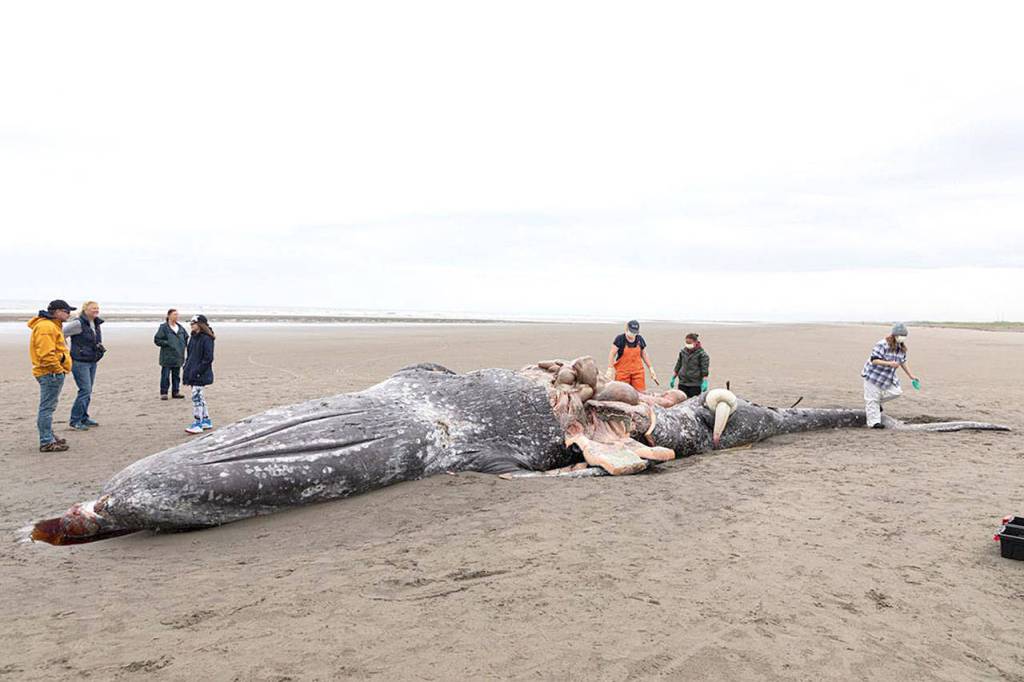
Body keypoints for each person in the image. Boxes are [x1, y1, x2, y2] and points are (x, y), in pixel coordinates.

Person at [28, 300, 75, 452]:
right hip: (50, 372)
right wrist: (57, 369)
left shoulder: (51, 325)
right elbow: (46, 354)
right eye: (67, 311)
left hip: (51, 372)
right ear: (57, 311)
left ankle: (50, 436)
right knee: (47, 408)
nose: (69, 315)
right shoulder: (46, 327)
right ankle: (46, 441)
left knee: (49, 407)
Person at [862, 322, 921, 429]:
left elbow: (902, 362)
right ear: (894, 335)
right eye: (900, 336)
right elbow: (874, 360)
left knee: (896, 392)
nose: (902, 338)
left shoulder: (901, 348)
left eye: (904, 336)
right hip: (873, 375)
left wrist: (911, 376)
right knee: (872, 399)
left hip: (887, 376)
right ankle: (874, 423)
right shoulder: (882, 344)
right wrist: (889, 363)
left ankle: (877, 404)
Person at [62, 300, 105, 430]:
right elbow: (60, 334)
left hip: (92, 360)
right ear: (85, 310)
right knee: (85, 390)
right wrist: (65, 349)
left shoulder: (95, 323)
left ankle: (84, 417)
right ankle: (75, 420)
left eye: (97, 308)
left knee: (88, 390)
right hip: (79, 361)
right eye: (93, 308)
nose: (96, 310)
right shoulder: (78, 323)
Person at [182, 314, 215, 434]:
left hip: (200, 373)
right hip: (192, 371)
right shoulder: (193, 338)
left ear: (200, 324)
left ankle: (198, 422)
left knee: (196, 397)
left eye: (193, 323)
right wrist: (187, 368)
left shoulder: (207, 338)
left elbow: (208, 358)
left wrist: (197, 371)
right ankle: (206, 420)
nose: (191, 325)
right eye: (190, 323)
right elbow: (190, 355)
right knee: (199, 397)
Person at [607, 320, 658, 391]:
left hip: (638, 372)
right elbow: (612, 353)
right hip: (623, 372)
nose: (633, 334)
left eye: (635, 332)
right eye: (631, 331)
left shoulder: (640, 339)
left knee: (640, 393)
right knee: (622, 393)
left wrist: (650, 368)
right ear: (627, 329)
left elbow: (644, 354)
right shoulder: (620, 339)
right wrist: (610, 369)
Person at [154, 308, 189, 400]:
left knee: (176, 376)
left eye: (177, 314)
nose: (176, 316)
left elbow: (186, 338)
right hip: (167, 356)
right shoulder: (164, 327)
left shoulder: (180, 328)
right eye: (174, 314)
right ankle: (164, 393)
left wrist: (183, 347)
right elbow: (157, 340)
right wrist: (168, 343)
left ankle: (175, 392)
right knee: (165, 376)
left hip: (178, 356)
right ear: (169, 316)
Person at [670, 332, 710, 398]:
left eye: (690, 343)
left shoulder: (702, 354)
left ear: (696, 342)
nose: (688, 345)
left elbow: (704, 369)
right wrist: (673, 378)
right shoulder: (683, 352)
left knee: (692, 403)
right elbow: (678, 364)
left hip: (695, 384)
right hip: (682, 382)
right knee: (682, 403)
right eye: (687, 343)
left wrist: (705, 381)